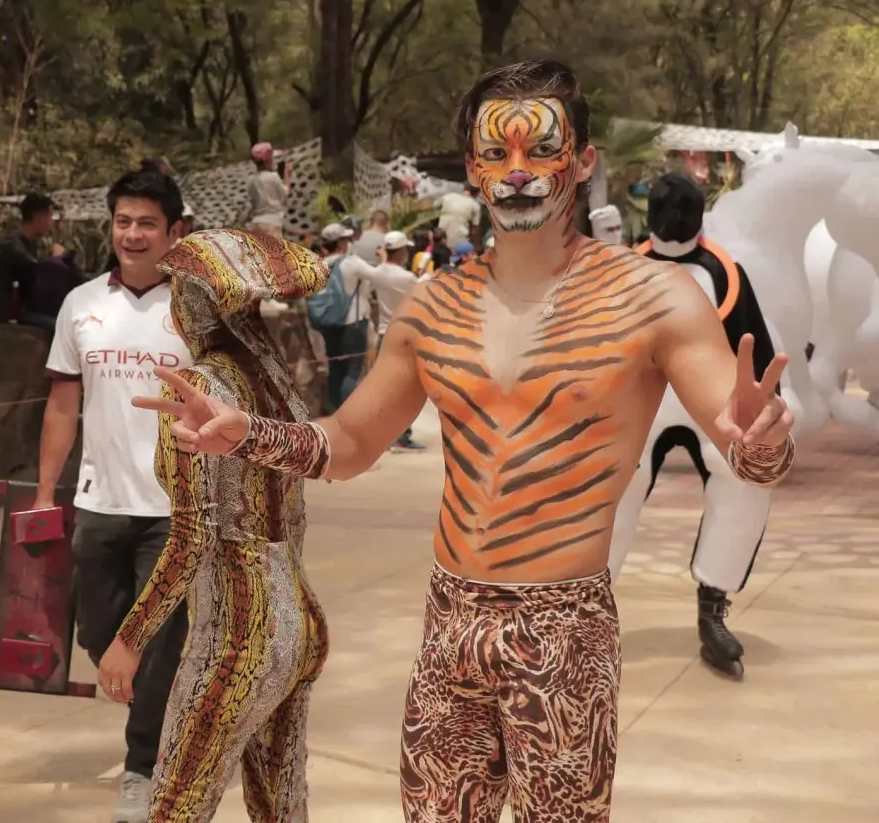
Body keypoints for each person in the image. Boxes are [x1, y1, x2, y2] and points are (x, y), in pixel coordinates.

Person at [134, 59, 796, 822]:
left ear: (581, 162)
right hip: (450, 618)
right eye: (497, 154)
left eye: (540, 151)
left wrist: (761, 439)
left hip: (564, 628)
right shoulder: (434, 305)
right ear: (475, 171)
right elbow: (350, 442)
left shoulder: (653, 298)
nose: (518, 173)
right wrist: (251, 434)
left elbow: (744, 441)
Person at [97, 229, 331, 822]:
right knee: (282, 810)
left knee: (174, 808)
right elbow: (294, 514)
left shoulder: (201, 385)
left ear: (196, 300)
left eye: (177, 288)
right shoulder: (277, 380)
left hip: (241, 630)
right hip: (298, 614)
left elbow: (192, 535)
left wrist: (129, 640)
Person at [35, 167, 192, 823]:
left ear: (175, 232)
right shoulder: (80, 305)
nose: (133, 233)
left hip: (174, 510)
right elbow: (62, 407)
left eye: (147, 223)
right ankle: (155, 705)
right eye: (123, 221)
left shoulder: (197, 308)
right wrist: (48, 493)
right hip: (100, 502)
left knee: (156, 644)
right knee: (101, 638)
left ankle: (142, 768)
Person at [608, 173, 779, 679]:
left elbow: (755, 345)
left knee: (744, 478)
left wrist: (767, 408)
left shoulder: (727, 273)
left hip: (712, 402)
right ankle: (589, 610)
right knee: (610, 484)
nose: (675, 218)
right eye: (667, 208)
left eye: (684, 209)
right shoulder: (620, 273)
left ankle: (714, 605)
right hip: (643, 400)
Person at [310, 222, 377, 414]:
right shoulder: (351, 262)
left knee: (335, 368)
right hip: (353, 322)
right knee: (353, 370)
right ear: (340, 243)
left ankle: (333, 413)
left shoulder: (317, 265)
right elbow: (377, 276)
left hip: (328, 323)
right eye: (347, 239)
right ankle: (349, 415)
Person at [372, 230, 426, 452]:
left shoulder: (376, 273)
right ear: (402, 251)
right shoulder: (407, 278)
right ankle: (403, 435)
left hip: (384, 333)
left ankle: (385, 435)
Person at [0, 191, 60, 327]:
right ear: (39, 217)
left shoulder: (29, 243)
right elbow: (36, 269)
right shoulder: (11, 246)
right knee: (59, 327)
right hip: (11, 313)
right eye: (50, 216)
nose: (51, 222)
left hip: (24, 308)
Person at [245, 143, 291, 237]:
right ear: (268, 160)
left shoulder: (250, 180)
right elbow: (285, 193)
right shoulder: (273, 177)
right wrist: (287, 176)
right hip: (272, 223)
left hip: (255, 223)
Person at [437, 184, 482, 251]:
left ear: (464, 188)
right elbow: (474, 231)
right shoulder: (475, 205)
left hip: (441, 241)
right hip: (460, 245)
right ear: (477, 194)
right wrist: (477, 246)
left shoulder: (447, 197)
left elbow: (432, 209)